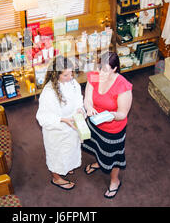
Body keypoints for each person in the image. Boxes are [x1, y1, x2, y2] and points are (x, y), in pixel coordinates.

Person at [82, 51, 133, 198]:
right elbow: (87, 99)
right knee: (99, 148)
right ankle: (100, 162)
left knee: (113, 155)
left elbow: (123, 113)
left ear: (114, 69)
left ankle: (114, 181)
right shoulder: (94, 75)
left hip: (113, 129)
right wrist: (89, 108)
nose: (99, 73)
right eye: (98, 68)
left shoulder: (123, 86)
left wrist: (111, 116)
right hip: (95, 123)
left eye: (104, 70)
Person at [36, 56, 85, 190]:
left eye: (71, 73)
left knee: (70, 150)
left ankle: (67, 166)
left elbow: (79, 98)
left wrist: (80, 109)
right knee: (57, 155)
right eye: (66, 75)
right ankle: (56, 178)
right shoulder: (48, 92)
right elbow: (42, 117)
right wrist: (62, 120)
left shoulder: (72, 82)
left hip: (71, 127)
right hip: (57, 131)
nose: (70, 77)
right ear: (56, 75)